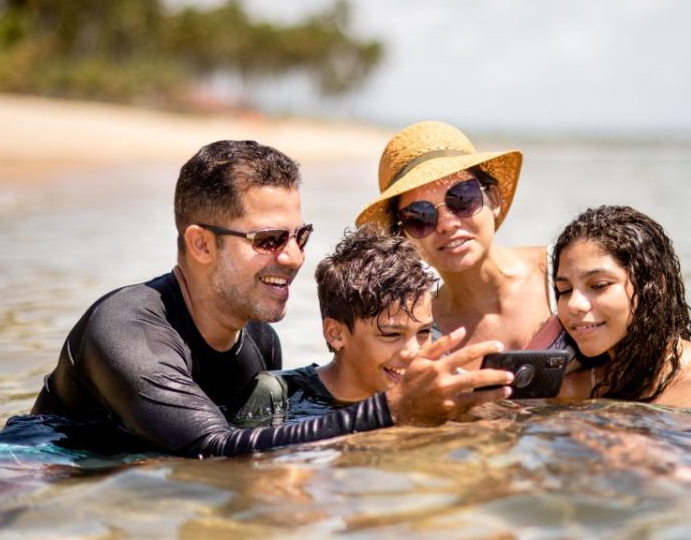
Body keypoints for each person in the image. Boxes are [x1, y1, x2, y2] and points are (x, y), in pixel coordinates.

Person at [27, 140, 513, 457]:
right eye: (268, 241)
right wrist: (393, 409)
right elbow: (212, 448)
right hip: (25, 474)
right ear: (201, 243)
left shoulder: (258, 336)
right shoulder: (126, 329)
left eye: (300, 235)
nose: (296, 257)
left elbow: (253, 446)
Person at [356, 121, 594, 370]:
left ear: (493, 199)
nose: (447, 224)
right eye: (420, 216)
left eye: (462, 199)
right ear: (403, 237)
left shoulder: (562, 270)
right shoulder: (416, 329)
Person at [552, 205, 691, 407]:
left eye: (599, 285)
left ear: (653, 285)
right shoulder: (573, 391)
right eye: (565, 290)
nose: (573, 304)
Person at [271, 226, 437, 421]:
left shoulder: (434, 396)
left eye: (424, 332)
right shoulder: (278, 396)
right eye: (392, 334)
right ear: (336, 334)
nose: (413, 351)